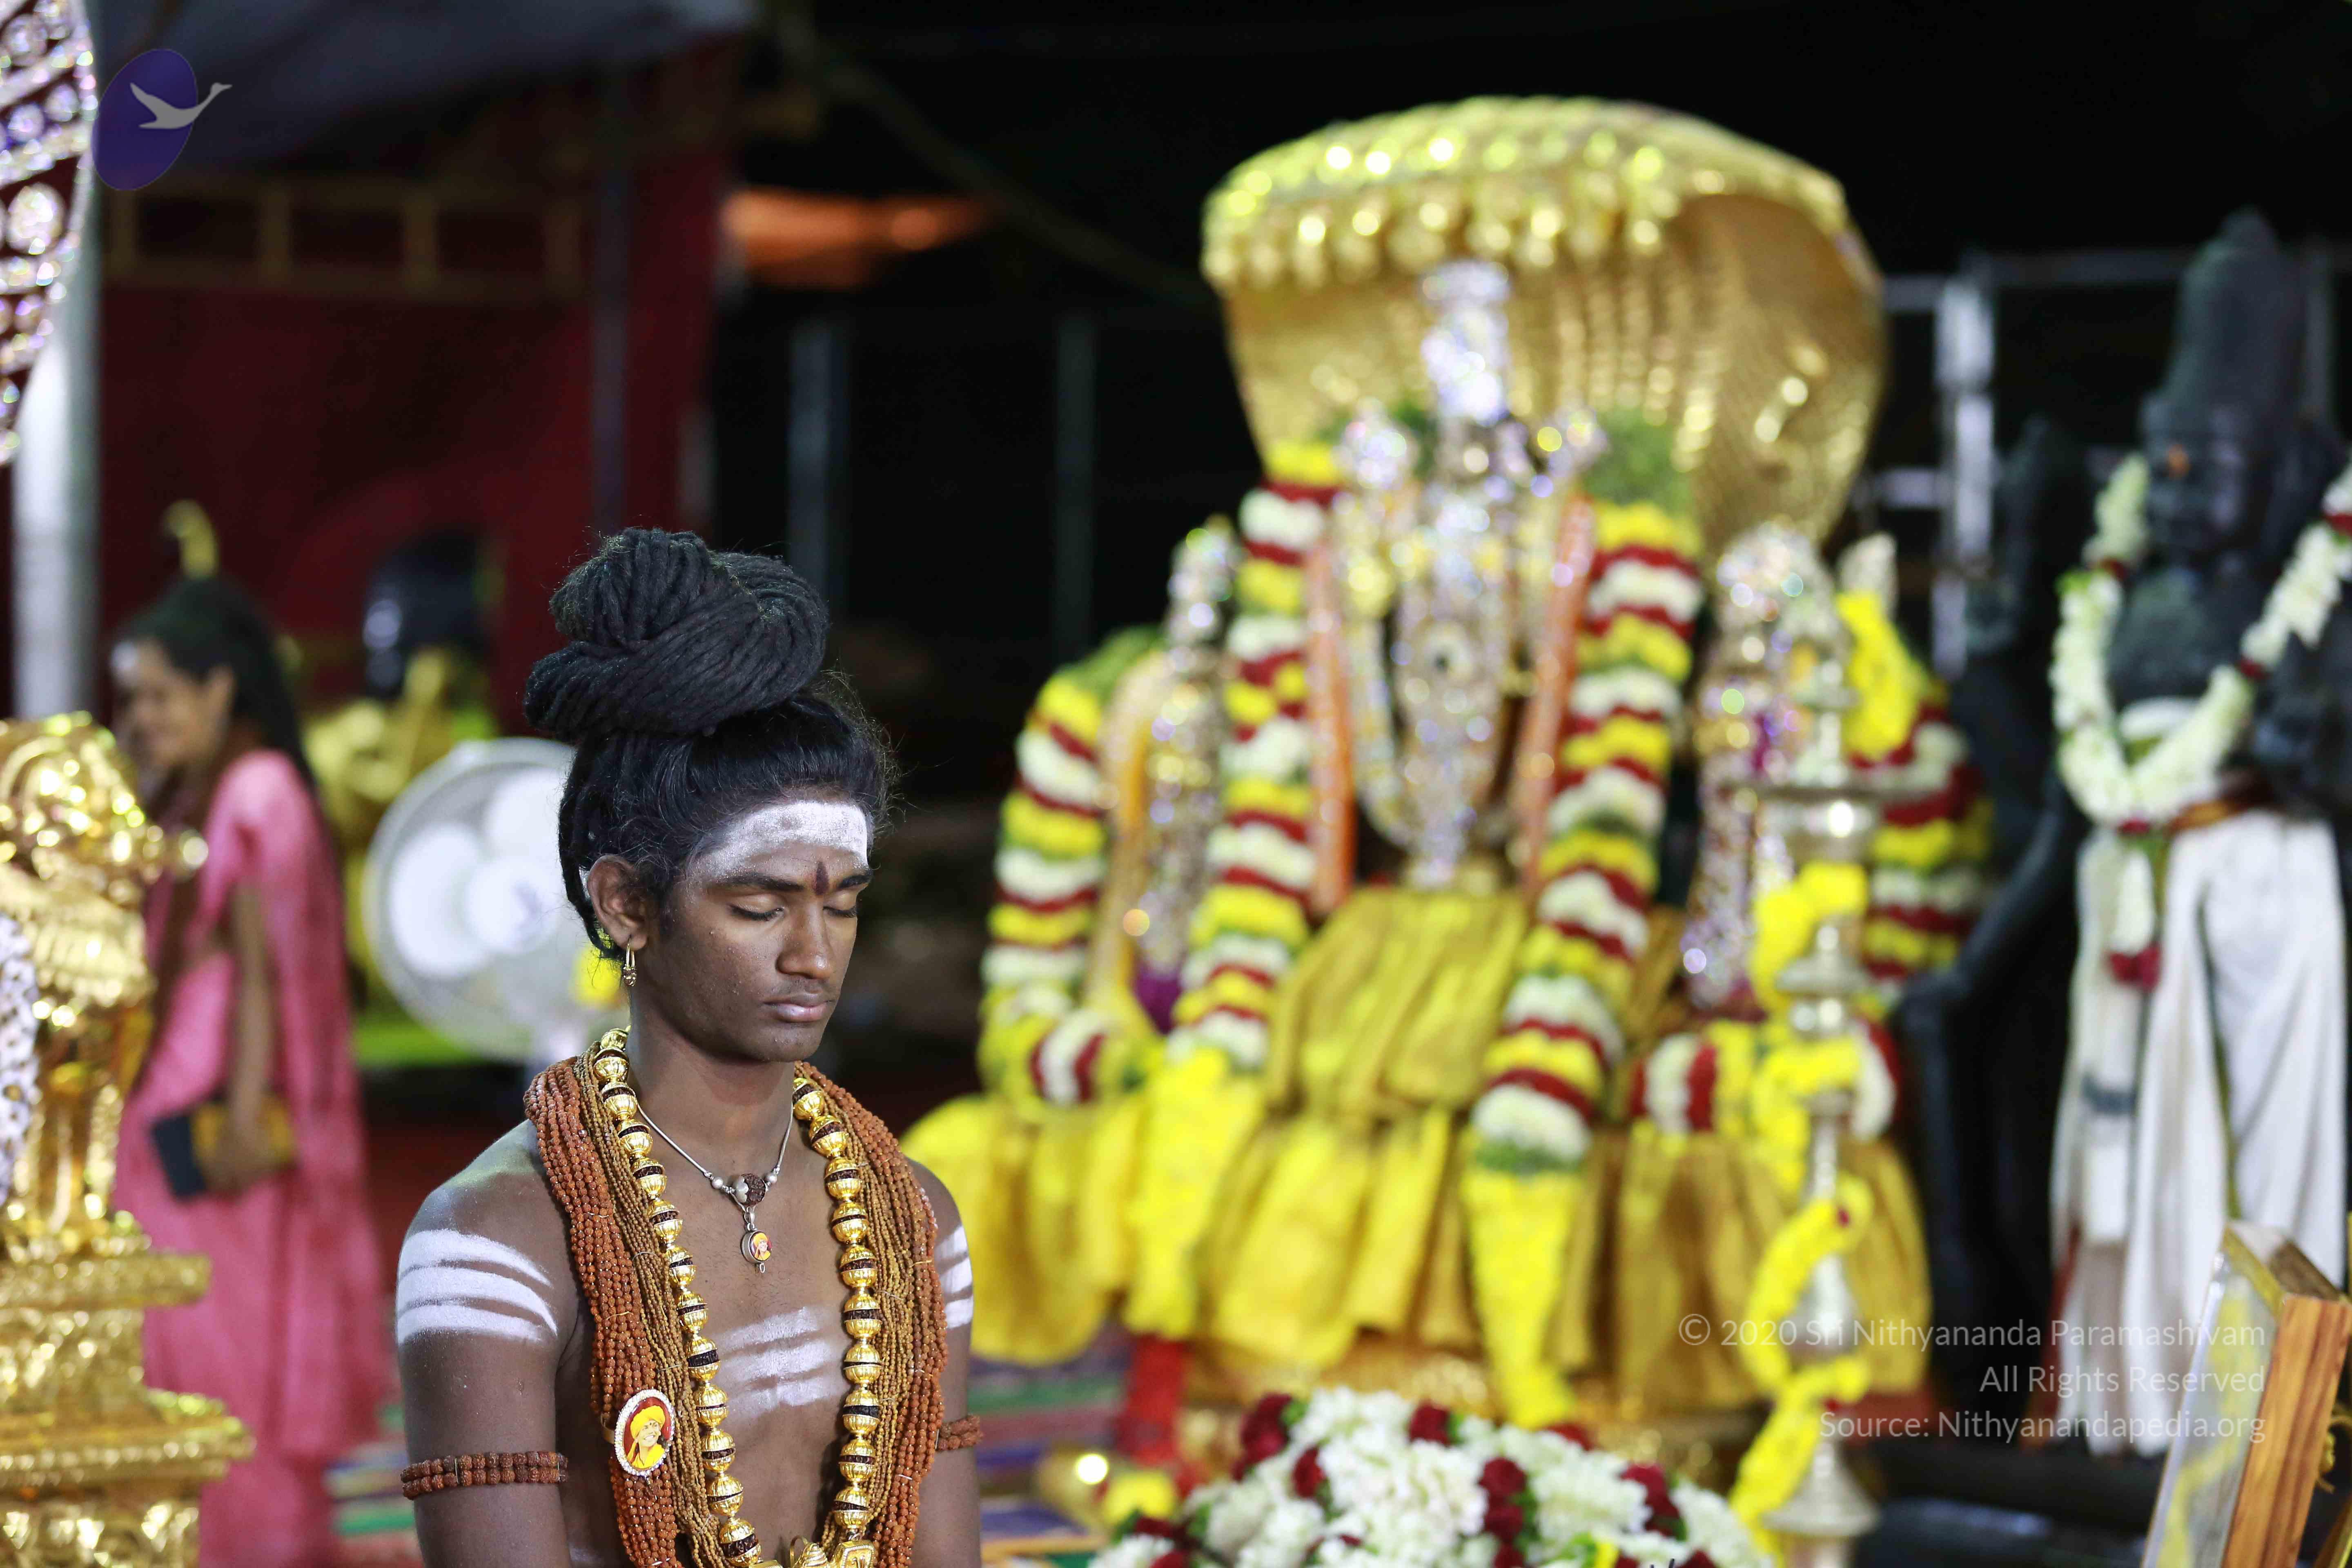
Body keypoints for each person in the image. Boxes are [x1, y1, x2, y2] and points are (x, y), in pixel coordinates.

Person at [398, 530, 980, 1568]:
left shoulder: (912, 1219)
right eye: (759, 906)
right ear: (626, 903)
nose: (813, 955)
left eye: (843, 905)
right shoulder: (497, 1242)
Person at [110, 574, 391, 1565]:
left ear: (220, 688)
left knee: (225, 1342)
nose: (144, 719)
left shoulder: (257, 790)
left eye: (161, 696)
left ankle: (248, 1540)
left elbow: (273, 973)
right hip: (170, 1095)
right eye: (132, 699)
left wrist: (240, 1118)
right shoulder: (200, 790)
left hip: (215, 1113)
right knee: (188, 1331)